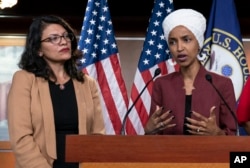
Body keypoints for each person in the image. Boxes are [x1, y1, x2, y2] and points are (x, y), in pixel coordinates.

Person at [7, 15, 106, 168]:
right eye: (53, 38)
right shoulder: (24, 79)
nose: (63, 41)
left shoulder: (87, 83)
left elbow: (97, 136)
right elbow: (21, 138)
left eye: (66, 36)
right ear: (38, 50)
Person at [144, 9, 237, 135]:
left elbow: (232, 135)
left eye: (186, 40)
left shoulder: (222, 84)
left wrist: (217, 134)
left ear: (199, 43)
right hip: (169, 154)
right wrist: (148, 131)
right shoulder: (161, 84)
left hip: (210, 154)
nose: (179, 48)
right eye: (172, 42)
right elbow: (154, 134)